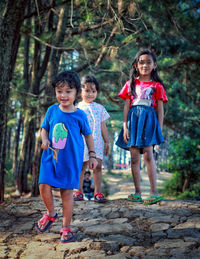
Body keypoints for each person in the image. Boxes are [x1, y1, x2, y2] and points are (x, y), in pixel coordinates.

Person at [35, 71, 98, 243]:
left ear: (76, 92)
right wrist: (45, 139)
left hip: (70, 160)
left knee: (66, 193)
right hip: (51, 156)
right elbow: (44, 128)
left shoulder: (80, 115)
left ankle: (66, 227)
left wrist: (92, 155)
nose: (63, 95)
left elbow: (88, 135)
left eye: (68, 91)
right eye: (59, 91)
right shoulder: (52, 110)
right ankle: (50, 213)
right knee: (43, 185)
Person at [116, 49, 168, 205]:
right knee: (133, 157)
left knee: (148, 155)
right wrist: (125, 126)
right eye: (141, 62)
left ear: (154, 65)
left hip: (149, 121)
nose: (145, 65)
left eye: (148, 62)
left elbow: (160, 109)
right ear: (136, 65)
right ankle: (137, 192)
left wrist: (159, 128)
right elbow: (126, 106)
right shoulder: (130, 84)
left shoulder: (157, 86)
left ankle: (154, 192)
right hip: (133, 121)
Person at [73, 75, 110, 202]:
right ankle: (78, 191)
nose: (90, 94)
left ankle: (98, 192)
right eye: (87, 90)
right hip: (81, 142)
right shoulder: (76, 108)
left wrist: (107, 141)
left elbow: (103, 126)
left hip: (97, 142)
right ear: (80, 91)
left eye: (93, 91)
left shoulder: (100, 108)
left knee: (98, 167)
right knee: (81, 166)